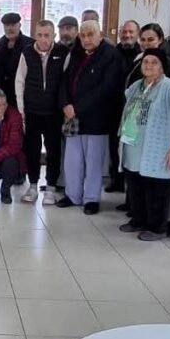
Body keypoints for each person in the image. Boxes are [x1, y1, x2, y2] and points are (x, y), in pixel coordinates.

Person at [117, 49, 170, 241]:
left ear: (162, 65)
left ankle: (156, 228)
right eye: (145, 62)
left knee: (156, 188)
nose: (148, 66)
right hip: (133, 145)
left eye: (154, 62)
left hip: (158, 146)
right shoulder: (136, 86)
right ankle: (138, 220)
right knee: (135, 185)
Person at [57, 20, 125, 214]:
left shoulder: (111, 55)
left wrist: (76, 108)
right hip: (72, 117)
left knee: (94, 161)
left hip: (97, 118)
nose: (86, 39)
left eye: (90, 35)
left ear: (100, 35)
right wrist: (65, 104)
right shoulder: (76, 53)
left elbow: (106, 88)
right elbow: (64, 81)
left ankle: (91, 199)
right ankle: (72, 195)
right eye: (83, 35)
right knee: (72, 159)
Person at [15, 20, 68, 205]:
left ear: (53, 35)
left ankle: (51, 187)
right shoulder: (27, 52)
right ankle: (33, 186)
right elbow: (19, 81)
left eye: (47, 35)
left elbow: (66, 82)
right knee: (32, 150)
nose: (43, 39)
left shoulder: (62, 53)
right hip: (32, 111)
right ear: (35, 35)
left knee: (53, 150)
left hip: (53, 112)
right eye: (40, 35)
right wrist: (21, 109)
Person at [108, 20, 142, 193]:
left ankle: (131, 187)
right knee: (114, 147)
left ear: (137, 34)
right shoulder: (113, 53)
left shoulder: (142, 55)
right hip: (114, 108)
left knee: (131, 148)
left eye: (131, 32)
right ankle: (117, 180)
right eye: (124, 32)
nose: (127, 35)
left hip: (135, 110)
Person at [0, 12, 33, 109]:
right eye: (7, 25)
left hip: (24, 93)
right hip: (4, 92)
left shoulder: (30, 44)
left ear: (19, 25)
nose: (9, 28)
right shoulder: (0, 43)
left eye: (13, 25)